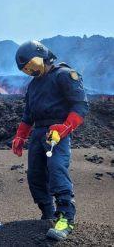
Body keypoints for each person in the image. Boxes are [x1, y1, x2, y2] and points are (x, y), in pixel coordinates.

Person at [12, 40, 89, 241]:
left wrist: (64, 128)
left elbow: (80, 106)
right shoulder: (33, 86)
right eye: (26, 70)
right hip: (38, 133)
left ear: (43, 56)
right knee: (35, 175)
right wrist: (21, 136)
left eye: (32, 65)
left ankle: (66, 217)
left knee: (56, 169)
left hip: (57, 132)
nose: (30, 71)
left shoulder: (64, 75)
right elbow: (28, 115)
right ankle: (47, 213)